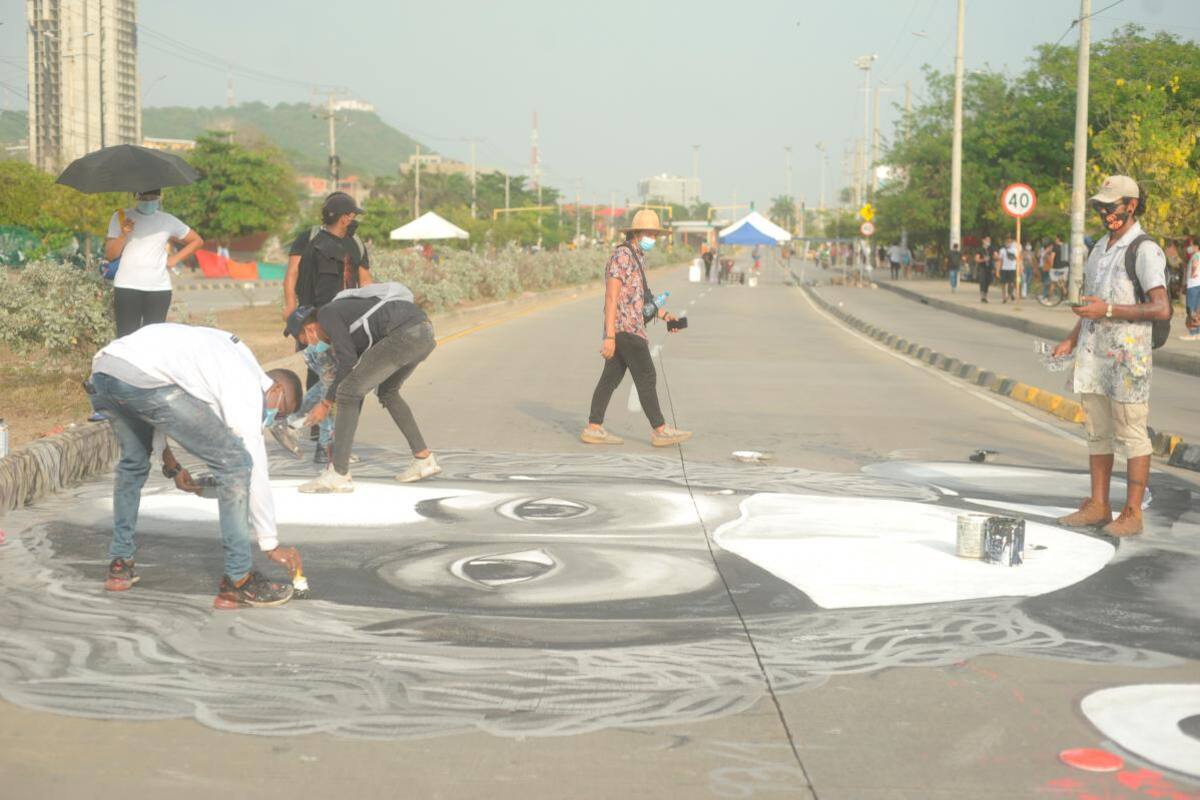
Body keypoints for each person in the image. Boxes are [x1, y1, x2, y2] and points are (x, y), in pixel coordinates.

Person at [86, 323, 303, 607]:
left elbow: (159, 398)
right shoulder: (247, 384)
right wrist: (269, 541)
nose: (272, 417)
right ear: (275, 388)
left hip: (105, 372)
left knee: (133, 463)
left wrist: (173, 467)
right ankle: (239, 580)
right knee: (236, 465)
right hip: (143, 380)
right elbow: (251, 464)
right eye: (280, 409)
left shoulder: (222, 350)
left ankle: (120, 564)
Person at [1052, 175, 1170, 537]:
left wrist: (1107, 312)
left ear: (1131, 205)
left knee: (1132, 434)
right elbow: (1094, 302)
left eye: (1112, 206)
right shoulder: (1100, 247)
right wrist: (1071, 338)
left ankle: (1132, 512)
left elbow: (1161, 307)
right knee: (1097, 432)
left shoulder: (1144, 249)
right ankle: (1098, 505)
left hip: (1127, 360)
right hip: (1095, 356)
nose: (1106, 214)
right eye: (1100, 208)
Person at [285, 282, 439, 493]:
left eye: (304, 341)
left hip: (404, 333)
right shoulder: (344, 324)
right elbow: (354, 376)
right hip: (422, 332)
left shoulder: (327, 314)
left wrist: (326, 402)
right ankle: (424, 459)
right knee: (387, 392)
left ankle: (338, 474)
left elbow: (347, 365)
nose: (311, 345)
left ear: (310, 330)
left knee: (347, 393)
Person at [582, 209, 691, 448]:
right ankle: (660, 430)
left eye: (655, 233)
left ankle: (593, 427)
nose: (653, 237)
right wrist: (609, 336)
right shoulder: (622, 256)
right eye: (649, 232)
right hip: (625, 328)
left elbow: (642, 299)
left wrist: (665, 316)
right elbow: (611, 297)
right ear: (636, 232)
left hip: (630, 326)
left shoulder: (638, 256)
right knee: (646, 375)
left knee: (610, 378)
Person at [283, 192, 373, 461]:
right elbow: (292, 274)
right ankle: (323, 443)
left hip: (347, 322)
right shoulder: (310, 239)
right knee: (329, 380)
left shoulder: (355, 244)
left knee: (337, 380)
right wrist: (290, 310)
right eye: (351, 213)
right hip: (316, 322)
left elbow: (365, 281)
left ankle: (321, 437)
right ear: (343, 216)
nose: (354, 218)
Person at [103, 189, 204, 337]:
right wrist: (123, 235)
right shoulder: (120, 217)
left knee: (154, 340)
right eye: (143, 197)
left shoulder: (168, 220)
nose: (148, 201)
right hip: (127, 286)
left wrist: (174, 259)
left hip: (158, 289)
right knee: (126, 339)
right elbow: (111, 255)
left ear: (159, 198)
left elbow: (197, 241)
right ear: (135, 197)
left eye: (152, 197)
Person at [1183, 240, 1200, 341]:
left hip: (1193, 284)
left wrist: (1193, 273)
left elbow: (1194, 265)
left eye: (1192, 245)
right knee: (1198, 309)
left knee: (1191, 309)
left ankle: (1192, 333)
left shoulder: (1195, 255)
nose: (1191, 247)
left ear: (1196, 246)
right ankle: (1198, 332)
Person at [975, 236, 995, 303]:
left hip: (989, 267)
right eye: (987, 240)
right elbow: (977, 259)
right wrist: (983, 259)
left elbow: (995, 256)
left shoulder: (991, 249)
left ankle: (985, 296)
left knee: (987, 281)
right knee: (982, 281)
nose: (988, 241)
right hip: (982, 267)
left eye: (989, 240)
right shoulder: (979, 249)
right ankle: (982, 296)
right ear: (983, 240)